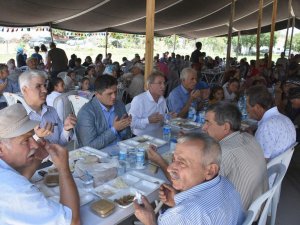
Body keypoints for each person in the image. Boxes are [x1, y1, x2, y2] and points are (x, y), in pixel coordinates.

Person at [134, 133, 245, 225]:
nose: (169, 168)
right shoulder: (227, 185)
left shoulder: (179, 217)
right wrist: (178, 202)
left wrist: (150, 221)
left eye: (182, 163)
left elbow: (189, 215)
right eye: (174, 159)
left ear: (210, 171)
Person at [0, 104, 80, 225]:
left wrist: (38, 157)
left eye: (33, 137)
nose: (35, 145)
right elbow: (72, 221)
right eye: (26, 140)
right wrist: (63, 168)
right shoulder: (14, 189)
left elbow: (22, 178)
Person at [202, 102, 268, 210]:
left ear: (226, 127)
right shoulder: (248, 137)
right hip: (257, 207)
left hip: (238, 215)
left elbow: (202, 189)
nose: (204, 127)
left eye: (208, 122)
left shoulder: (224, 152)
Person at [19, 70, 76, 146]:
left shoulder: (52, 111)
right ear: (24, 89)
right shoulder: (18, 117)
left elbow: (60, 144)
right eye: (38, 86)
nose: (45, 90)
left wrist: (66, 129)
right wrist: (37, 137)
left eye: (45, 85)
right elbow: (18, 155)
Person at [76, 75, 132, 150]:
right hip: (98, 157)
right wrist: (114, 130)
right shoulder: (86, 113)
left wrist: (124, 126)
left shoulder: (119, 105)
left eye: (115, 92)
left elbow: (127, 136)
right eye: (109, 94)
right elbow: (89, 147)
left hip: (121, 150)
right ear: (97, 94)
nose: (114, 96)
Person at [246, 85, 296, 160]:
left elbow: (260, 162)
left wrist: (250, 140)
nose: (247, 111)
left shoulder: (266, 126)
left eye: (247, 107)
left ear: (257, 107)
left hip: (271, 170)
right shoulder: (286, 119)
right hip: (283, 167)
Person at [129, 71, 175, 136]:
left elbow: (161, 119)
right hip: (140, 138)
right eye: (159, 83)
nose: (163, 86)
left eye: (164, 83)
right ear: (150, 85)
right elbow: (131, 122)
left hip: (157, 135)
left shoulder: (162, 99)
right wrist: (148, 120)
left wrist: (167, 116)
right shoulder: (139, 100)